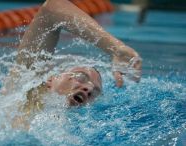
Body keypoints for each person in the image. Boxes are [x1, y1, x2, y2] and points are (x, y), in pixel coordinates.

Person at [8, 0, 142, 128]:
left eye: (95, 92)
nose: (89, 89)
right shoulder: (17, 94)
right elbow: (52, 7)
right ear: (51, 80)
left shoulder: (78, 131)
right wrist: (116, 48)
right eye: (81, 77)